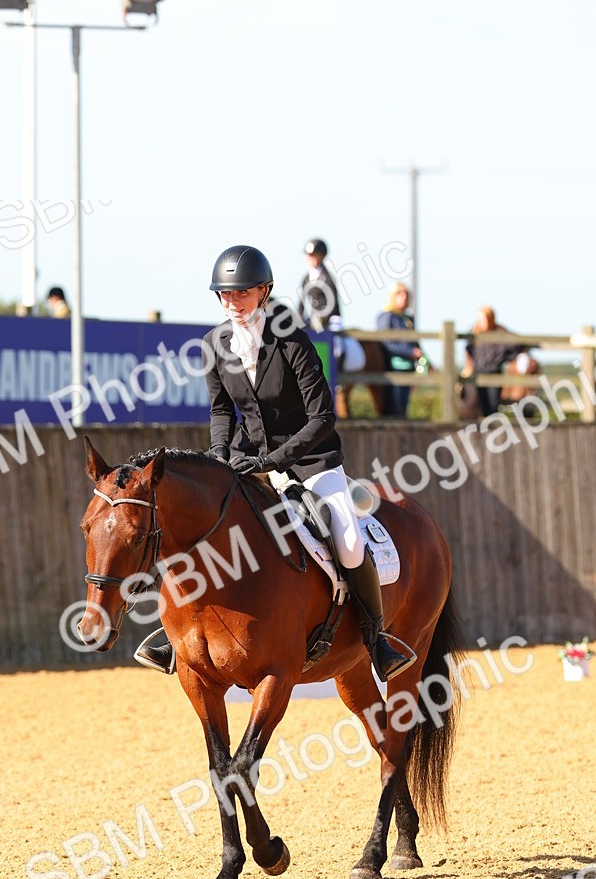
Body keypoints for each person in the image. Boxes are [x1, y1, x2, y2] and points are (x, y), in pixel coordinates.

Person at [135, 244, 413, 682]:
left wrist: (275, 459)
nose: (233, 302)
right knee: (200, 526)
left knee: (348, 540)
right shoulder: (214, 343)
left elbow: (323, 417)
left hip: (310, 460)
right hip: (247, 461)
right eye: (225, 295)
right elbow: (222, 411)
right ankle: (173, 635)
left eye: (242, 293)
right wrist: (220, 457)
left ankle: (377, 638)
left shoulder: (292, 340)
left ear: (264, 291)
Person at [297, 238, 350, 419]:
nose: (312, 259)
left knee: (338, 348)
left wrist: (321, 319)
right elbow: (302, 303)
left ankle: (339, 381)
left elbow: (332, 303)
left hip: (332, 317)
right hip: (314, 318)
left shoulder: (327, 277)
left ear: (322, 256)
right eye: (309, 255)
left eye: (315, 255)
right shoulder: (306, 278)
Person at [462, 306, 526, 417]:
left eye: (483, 319)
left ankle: (491, 428)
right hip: (478, 373)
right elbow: (468, 350)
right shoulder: (473, 332)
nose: (481, 322)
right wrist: (469, 365)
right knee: (477, 405)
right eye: (479, 319)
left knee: (492, 405)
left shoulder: (500, 332)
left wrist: (504, 359)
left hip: (494, 373)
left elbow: (517, 344)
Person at [376, 283, 424, 418]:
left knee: (403, 410)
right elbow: (386, 343)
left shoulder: (407, 318)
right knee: (393, 411)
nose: (404, 297)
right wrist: (410, 352)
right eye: (399, 294)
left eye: (406, 294)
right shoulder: (386, 316)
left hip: (407, 369)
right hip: (393, 369)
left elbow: (415, 341)